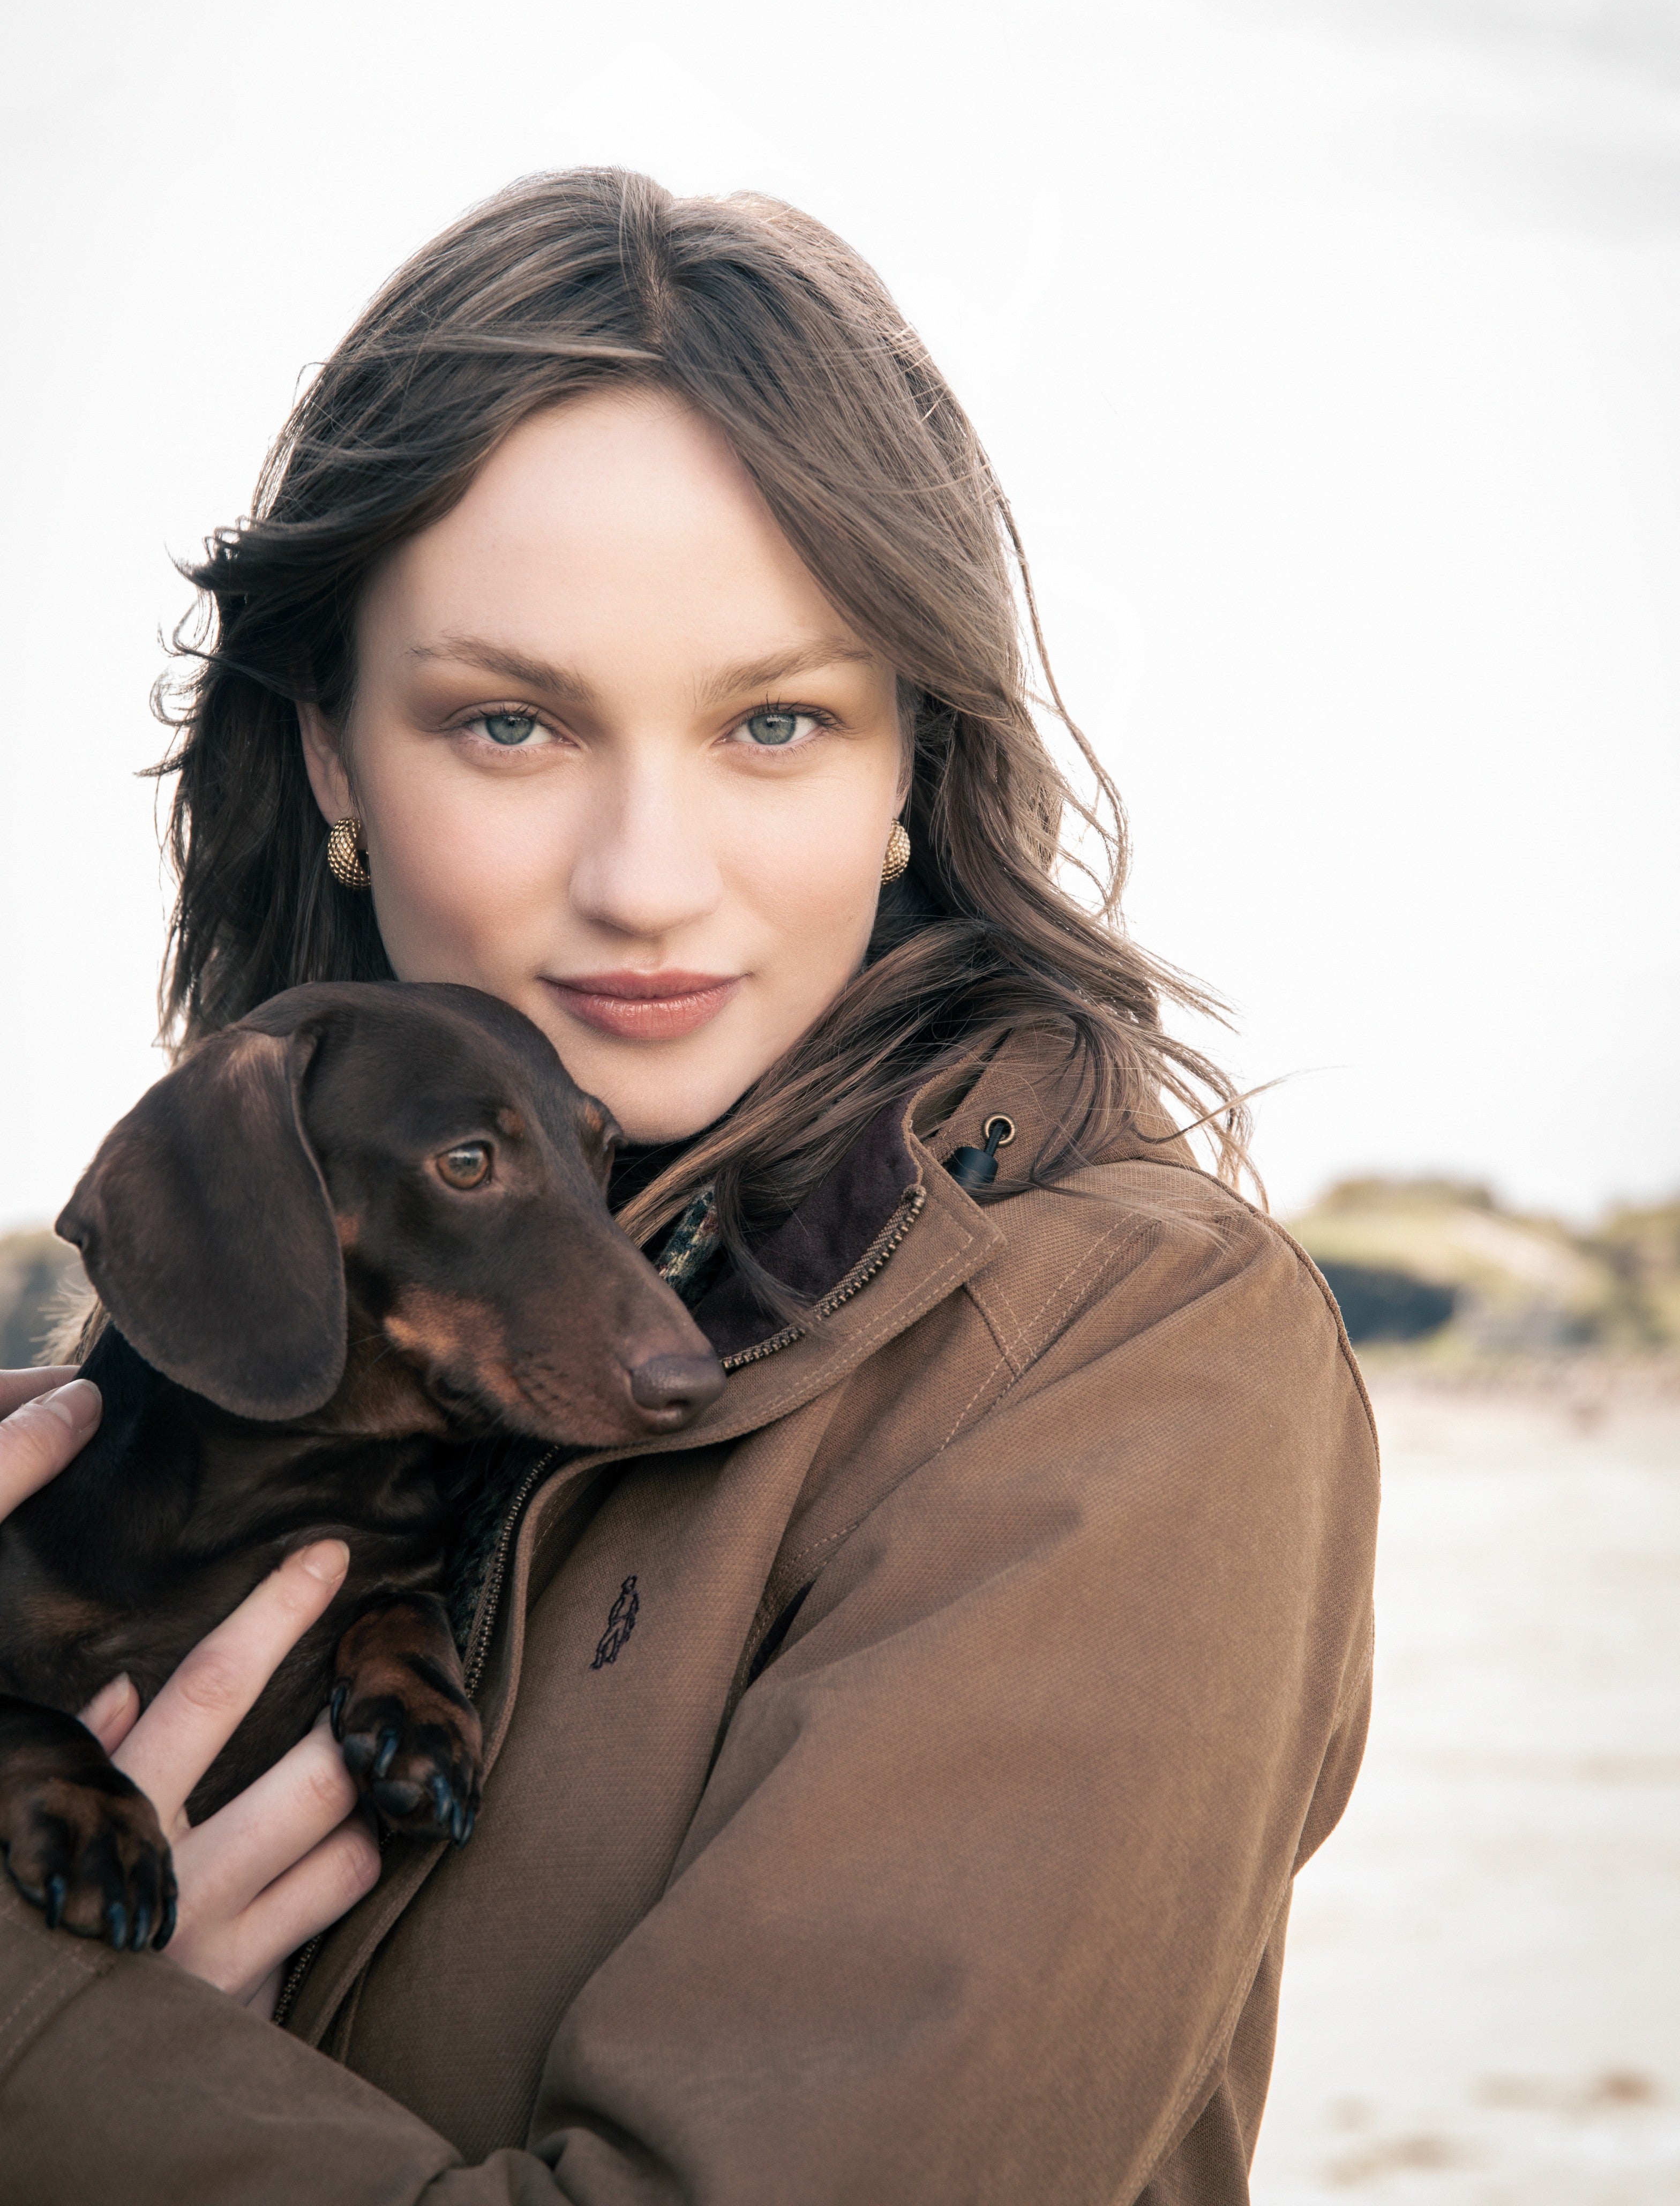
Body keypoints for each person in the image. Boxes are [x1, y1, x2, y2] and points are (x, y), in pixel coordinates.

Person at [0, 170, 1377, 2203]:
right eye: (510, 720)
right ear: (327, 761)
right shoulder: (226, 1328)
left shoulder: (1135, 1362)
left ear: (913, 755)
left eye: (777, 721)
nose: (648, 877)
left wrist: (36, 2042)